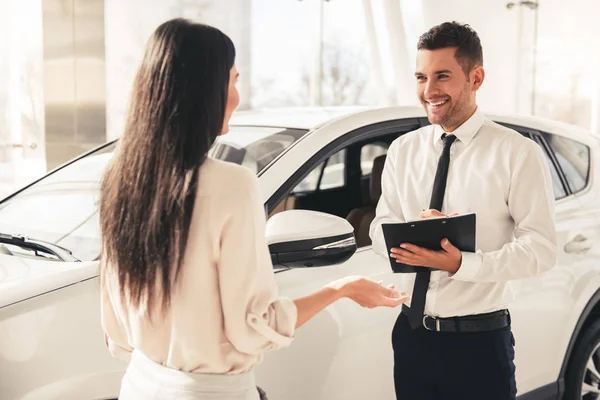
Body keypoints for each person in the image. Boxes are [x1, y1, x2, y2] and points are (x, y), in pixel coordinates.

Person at [99, 18, 407, 400]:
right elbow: (253, 326)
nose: (236, 96)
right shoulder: (231, 184)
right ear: (204, 90)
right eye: (233, 80)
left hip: (139, 387)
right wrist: (340, 289)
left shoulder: (119, 180)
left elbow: (116, 333)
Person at [369, 21, 557, 400]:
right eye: (421, 77)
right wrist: (408, 236)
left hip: (480, 345)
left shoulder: (515, 153)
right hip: (411, 337)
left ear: (476, 77)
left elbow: (541, 250)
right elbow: (379, 228)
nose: (429, 91)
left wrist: (460, 263)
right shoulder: (402, 150)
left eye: (442, 76)